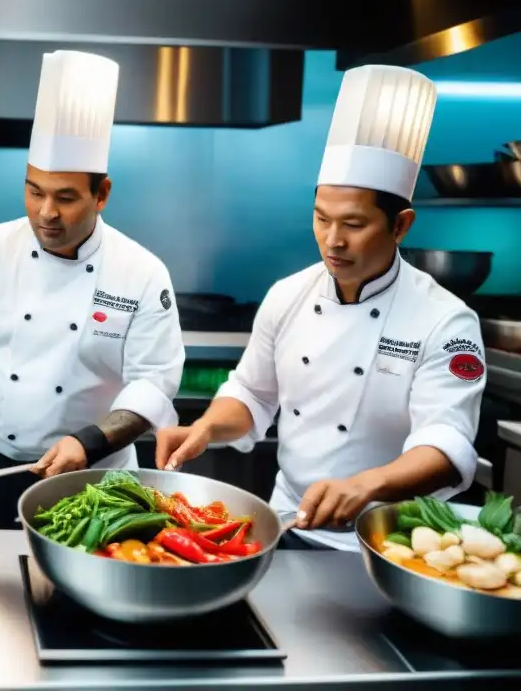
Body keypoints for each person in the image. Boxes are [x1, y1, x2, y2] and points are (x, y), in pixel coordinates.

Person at [155, 64, 486, 551]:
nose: (333, 241)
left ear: (401, 226)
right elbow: (251, 394)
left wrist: (365, 485)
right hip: (287, 522)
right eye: (321, 218)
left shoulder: (445, 320)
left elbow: (447, 441)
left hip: (392, 540)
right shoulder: (288, 295)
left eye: (353, 224)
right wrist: (205, 427)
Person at [0, 50, 185, 528]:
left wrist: (89, 441)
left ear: (102, 194)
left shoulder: (141, 272)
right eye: (34, 191)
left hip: (97, 482)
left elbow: (154, 382)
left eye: (66, 197)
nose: (46, 212)